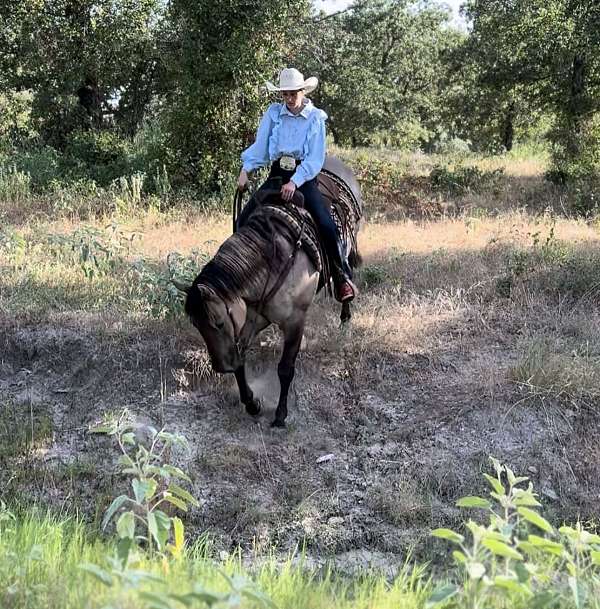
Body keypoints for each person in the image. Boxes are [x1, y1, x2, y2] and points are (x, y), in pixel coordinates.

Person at [237, 67, 356, 303]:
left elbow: (314, 159)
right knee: (244, 220)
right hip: (277, 173)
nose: (289, 99)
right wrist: (246, 170)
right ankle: (240, 276)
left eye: (293, 93)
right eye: (285, 94)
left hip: (304, 176)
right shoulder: (273, 114)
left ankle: (341, 277)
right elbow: (261, 148)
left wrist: (295, 181)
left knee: (325, 223)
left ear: (302, 91)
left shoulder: (315, 118)